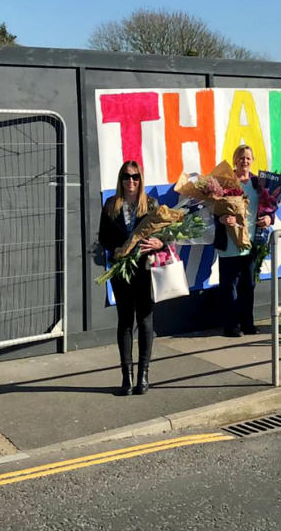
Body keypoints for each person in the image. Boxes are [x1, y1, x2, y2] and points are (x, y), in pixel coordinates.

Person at [97, 161, 164, 395]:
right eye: (126, 177)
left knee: (145, 321)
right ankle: (127, 376)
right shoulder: (110, 205)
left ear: (141, 180)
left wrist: (160, 243)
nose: (131, 182)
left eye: (135, 177)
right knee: (125, 322)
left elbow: (164, 235)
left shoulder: (151, 204)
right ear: (120, 180)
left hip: (145, 270)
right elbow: (103, 237)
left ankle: (143, 375)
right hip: (121, 272)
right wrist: (114, 249)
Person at [214, 145, 273, 337]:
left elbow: (269, 207)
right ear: (234, 160)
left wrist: (269, 219)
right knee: (229, 285)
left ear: (252, 160)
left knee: (248, 284)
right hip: (230, 241)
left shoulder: (259, 183)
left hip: (251, 241)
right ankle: (231, 325)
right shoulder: (224, 181)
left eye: (248, 158)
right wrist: (222, 219)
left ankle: (248, 323)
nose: (244, 161)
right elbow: (213, 210)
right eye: (241, 158)